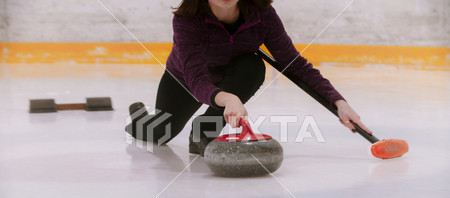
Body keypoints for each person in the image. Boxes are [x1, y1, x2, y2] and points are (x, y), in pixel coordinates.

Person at [126, 0, 372, 156]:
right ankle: (139, 117)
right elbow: (195, 78)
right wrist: (227, 98)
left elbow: (295, 65)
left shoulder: (262, 14)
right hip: (184, 80)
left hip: (232, 77)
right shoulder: (187, 18)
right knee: (161, 134)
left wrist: (338, 102)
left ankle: (203, 132)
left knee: (253, 65)